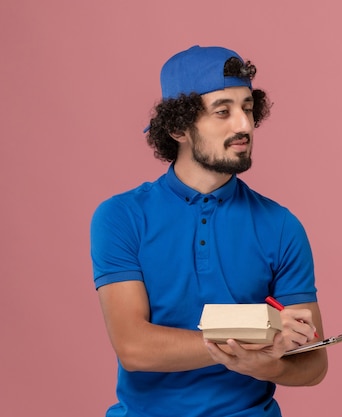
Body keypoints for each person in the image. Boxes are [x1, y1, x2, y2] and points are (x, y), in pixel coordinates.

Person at [90, 45, 327, 417]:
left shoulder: (281, 226)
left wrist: (270, 366)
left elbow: (313, 363)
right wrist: (257, 333)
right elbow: (133, 347)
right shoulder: (121, 217)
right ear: (178, 127)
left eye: (248, 108)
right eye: (223, 112)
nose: (244, 125)